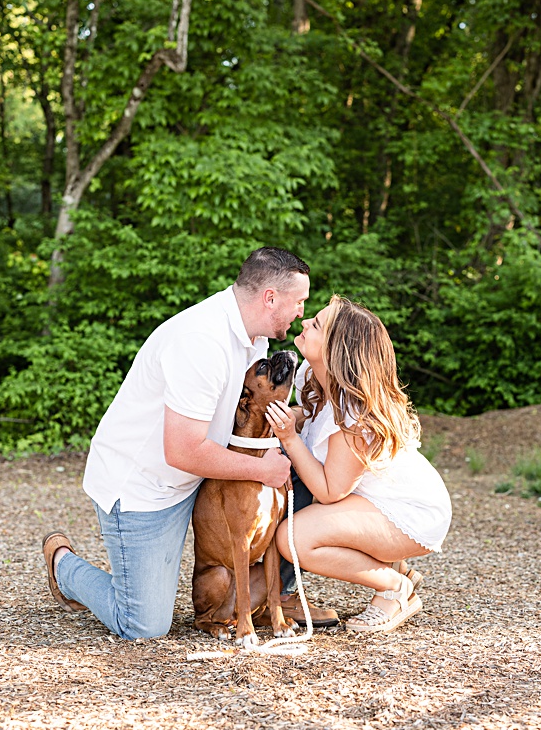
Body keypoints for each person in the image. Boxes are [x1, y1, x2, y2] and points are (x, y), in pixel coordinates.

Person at [43, 247, 330, 641]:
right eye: (299, 302)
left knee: (313, 475)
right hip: (145, 487)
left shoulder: (255, 338)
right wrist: (263, 469)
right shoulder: (201, 342)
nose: (301, 312)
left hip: (199, 479)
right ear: (270, 298)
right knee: (143, 626)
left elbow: (248, 416)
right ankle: (64, 566)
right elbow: (181, 451)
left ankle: (272, 598)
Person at [265, 295, 452, 632]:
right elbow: (313, 423)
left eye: (317, 324)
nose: (305, 322)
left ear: (337, 350)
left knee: (295, 537)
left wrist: (289, 438)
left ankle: (394, 587)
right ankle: (394, 565)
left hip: (410, 509)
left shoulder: (353, 413)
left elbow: (329, 491)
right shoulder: (315, 375)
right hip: (374, 498)